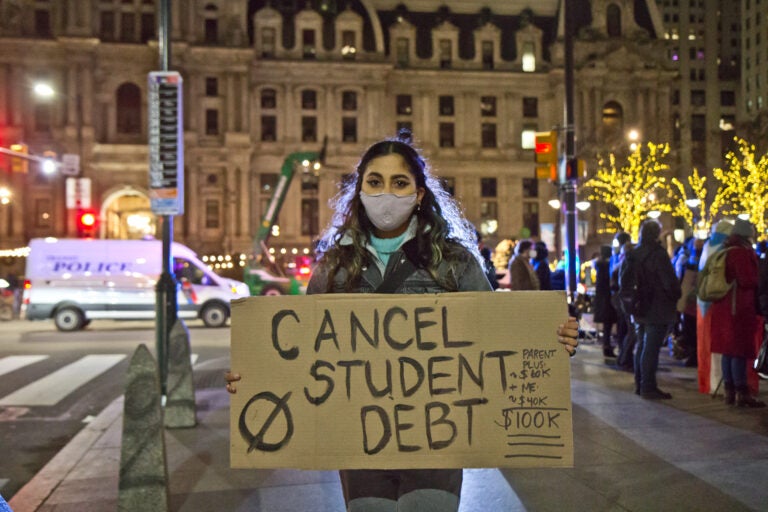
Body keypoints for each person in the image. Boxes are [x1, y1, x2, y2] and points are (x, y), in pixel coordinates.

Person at [226, 131, 578, 512]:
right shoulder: (334, 268)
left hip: (437, 450)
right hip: (360, 452)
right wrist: (256, 377)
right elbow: (303, 356)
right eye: (374, 182)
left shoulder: (455, 262)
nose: (386, 194)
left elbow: (496, 341)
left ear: (420, 193)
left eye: (399, 183)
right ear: (359, 190)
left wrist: (552, 339)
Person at [709, 219, 765, 408]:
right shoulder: (741, 252)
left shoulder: (724, 249)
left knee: (728, 351)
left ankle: (729, 391)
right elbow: (747, 280)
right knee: (739, 350)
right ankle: (742, 392)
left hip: (724, 306)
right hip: (737, 307)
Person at [630, 219, 681, 399]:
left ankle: (640, 383)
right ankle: (648, 386)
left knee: (642, 345)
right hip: (656, 306)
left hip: (638, 306)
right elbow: (669, 281)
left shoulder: (634, 253)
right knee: (650, 348)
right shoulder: (658, 254)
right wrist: (675, 295)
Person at [696, 220, 733, 394]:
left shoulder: (707, 246)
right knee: (716, 345)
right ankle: (716, 384)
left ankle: (707, 382)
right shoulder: (722, 250)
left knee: (705, 345)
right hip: (716, 300)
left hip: (702, 301)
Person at [593, 245, 617, 358]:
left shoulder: (599, 265)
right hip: (607, 298)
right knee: (608, 324)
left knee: (607, 325)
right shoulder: (608, 266)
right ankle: (607, 346)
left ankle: (606, 345)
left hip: (602, 299)